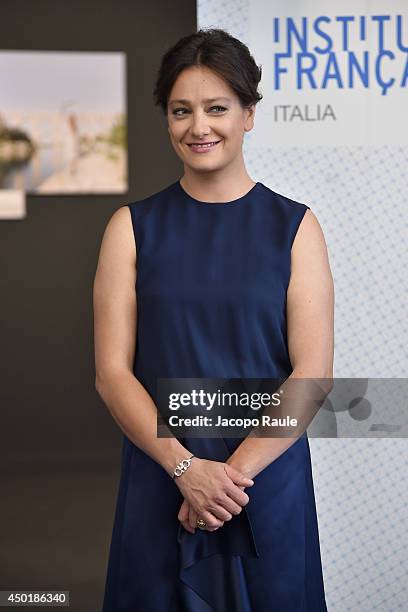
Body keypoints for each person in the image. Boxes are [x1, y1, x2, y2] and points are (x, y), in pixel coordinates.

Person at [94, 27, 334, 612]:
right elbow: (111, 374)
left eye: (217, 108)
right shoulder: (130, 227)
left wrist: (227, 479)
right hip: (163, 475)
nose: (198, 127)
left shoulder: (296, 227)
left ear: (249, 114)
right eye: (182, 111)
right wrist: (185, 469)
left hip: (264, 479)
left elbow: (313, 373)